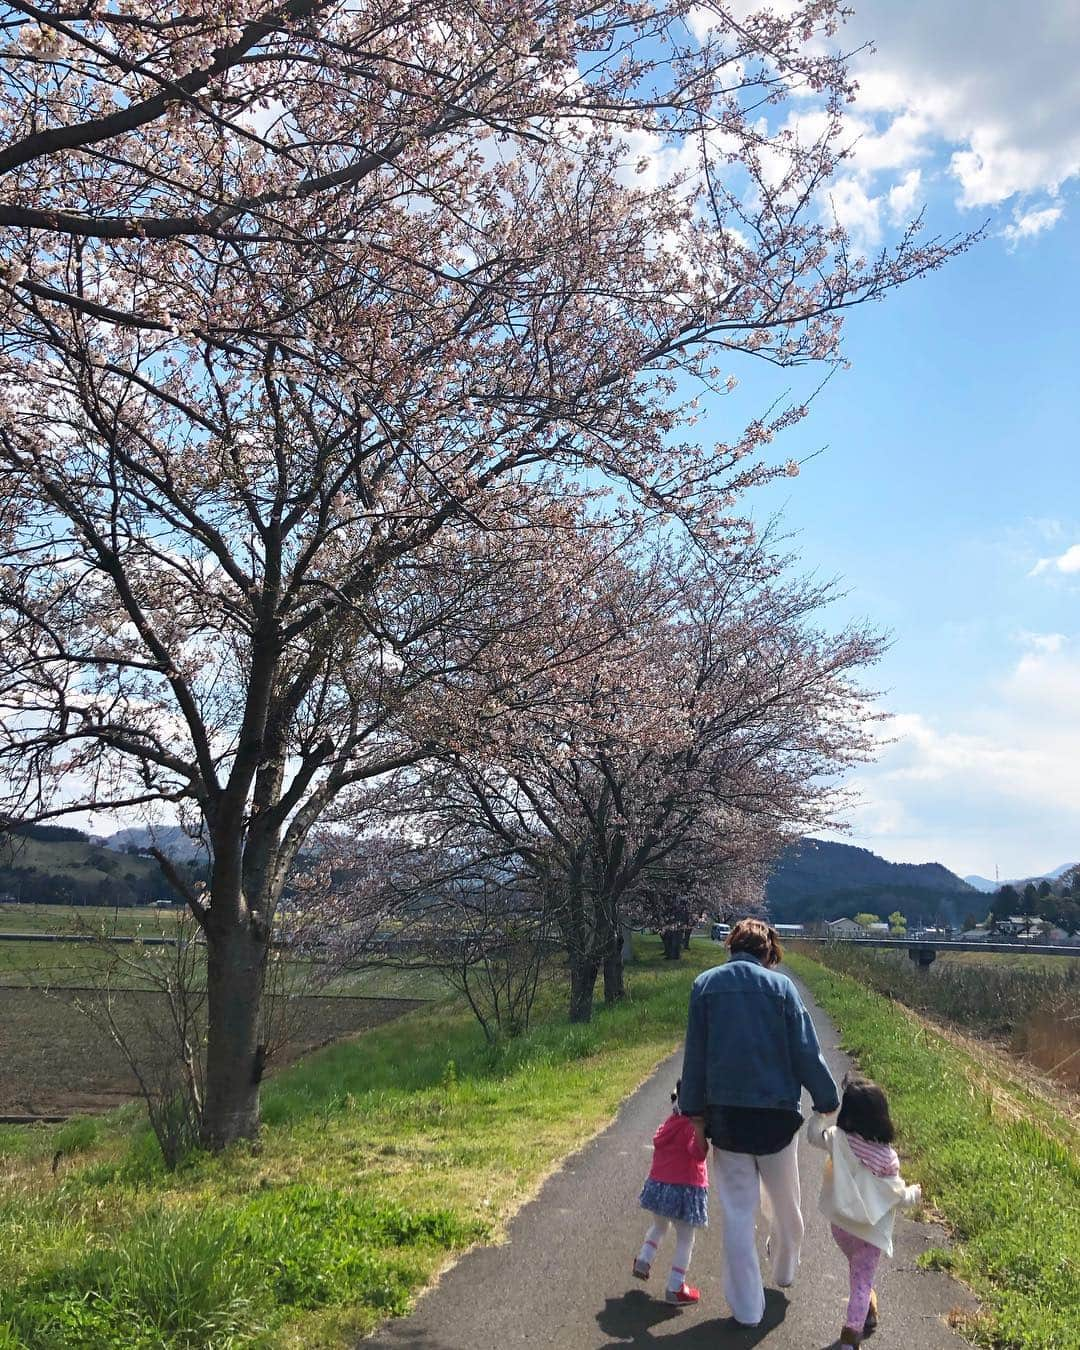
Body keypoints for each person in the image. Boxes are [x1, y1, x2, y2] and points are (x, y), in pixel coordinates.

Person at [679, 917, 839, 1327]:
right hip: (776, 1120)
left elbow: (695, 1059)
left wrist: (694, 1116)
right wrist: (826, 1101)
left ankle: (748, 1310)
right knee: (787, 1205)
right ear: (769, 952)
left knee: (737, 1214)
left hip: (727, 1121)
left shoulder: (705, 986)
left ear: (732, 945)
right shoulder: (782, 988)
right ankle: (785, 1269)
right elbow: (806, 1050)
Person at [808, 1074, 922, 1347]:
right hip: (868, 1231)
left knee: (858, 1272)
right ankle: (850, 1336)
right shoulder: (887, 1158)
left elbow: (813, 1136)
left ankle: (869, 1311)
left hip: (842, 1226)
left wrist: (821, 1115)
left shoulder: (838, 1139)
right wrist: (915, 1193)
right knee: (862, 1279)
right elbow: (895, 1196)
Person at [632, 1079, 709, 1307]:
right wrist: (701, 1130)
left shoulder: (670, 1122)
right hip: (683, 1189)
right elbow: (698, 1153)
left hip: (660, 1188)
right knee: (686, 1238)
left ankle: (643, 1261)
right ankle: (676, 1287)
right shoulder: (690, 1127)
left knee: (659, 1226)